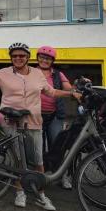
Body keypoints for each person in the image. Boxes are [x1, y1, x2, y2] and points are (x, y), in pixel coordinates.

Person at [0, 42, 81, 211]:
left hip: (33, 121)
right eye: (15, 56)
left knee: (38, 161)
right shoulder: (3, 73)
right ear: (11, 58)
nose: (18, 58)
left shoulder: (37, 73)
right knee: (19, 160)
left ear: (27, 57)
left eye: (22, 56)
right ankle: (20, 192)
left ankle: (41, 194)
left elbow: (51, 92)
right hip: (10, 121)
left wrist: (71, 93)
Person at [36, 45, 73, 190]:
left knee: (57, 147)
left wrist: (76, 88)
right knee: (37, 147)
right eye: (42, 57)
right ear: (38, 58)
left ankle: (61, 176)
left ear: (52, 61)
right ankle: (40, 174)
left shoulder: (58, 74)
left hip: (54, 115)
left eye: (48, 59)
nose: (44, 60)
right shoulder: (32, 72)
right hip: (36, 115)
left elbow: (67, 87)